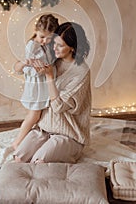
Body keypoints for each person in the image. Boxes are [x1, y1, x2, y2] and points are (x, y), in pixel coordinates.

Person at [13, 21, 91, 164]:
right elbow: (18, 69)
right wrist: (26, 63)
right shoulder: (53, 59)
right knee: (19, 158)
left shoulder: (81, 72)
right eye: (54, 43)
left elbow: (58, 107)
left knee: (39, 162)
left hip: (68, 134)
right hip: (43, 129)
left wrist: (50, 77)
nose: (54, 47)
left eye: (60, 45)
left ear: (72, 48)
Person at [12, 14, 59, 150]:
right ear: (35, 31)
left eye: (48, 38)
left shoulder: (48, 46)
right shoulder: (32, 46)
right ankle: (18, 141)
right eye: (42, 37)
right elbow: (28, 68)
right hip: (36, 87)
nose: (44, 41)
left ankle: (35, 138)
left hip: (44, 85)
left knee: (41, 114)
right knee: (33, 115)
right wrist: (39, 70)